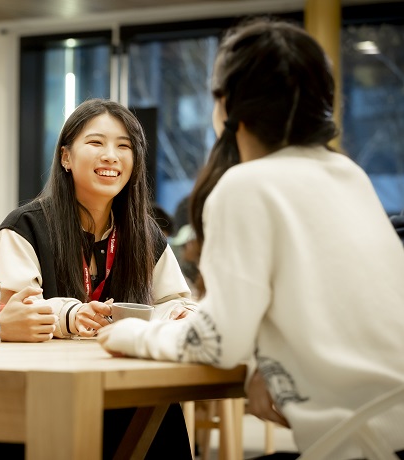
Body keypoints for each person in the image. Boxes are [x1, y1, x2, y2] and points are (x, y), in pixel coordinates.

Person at [98, 18, 404, 460]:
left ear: (226, 105)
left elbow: (216, 345)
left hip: (361, 446)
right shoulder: (348, 174)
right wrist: (264, 364)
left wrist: (128, 333)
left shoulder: (247, 186)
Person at [0, 98, 196, 458]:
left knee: (165, 419)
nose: (111, 156)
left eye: (124, 146)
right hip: (46, 391)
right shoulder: (26, 226)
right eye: (96, 143)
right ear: (66, 157)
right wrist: (69, 316)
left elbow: (176, 301)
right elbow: (13, 311)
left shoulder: (145, 233)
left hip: (125, 386)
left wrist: (180, 315)